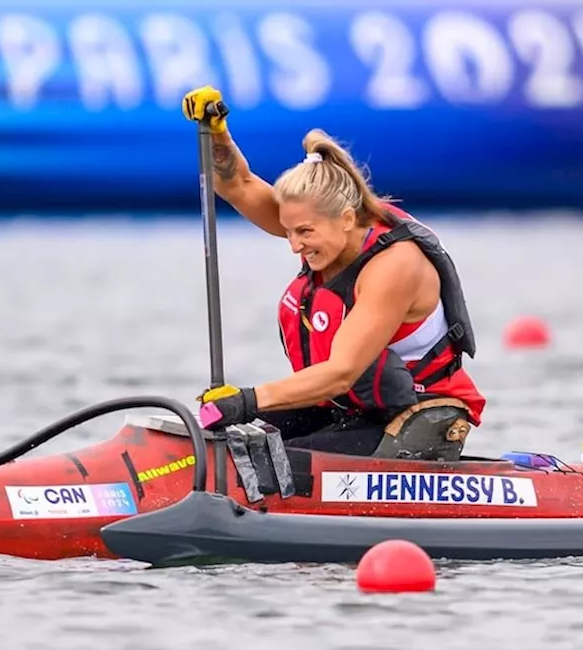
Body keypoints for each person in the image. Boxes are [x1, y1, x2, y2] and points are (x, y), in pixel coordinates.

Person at [180, 85, 487, 461]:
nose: (294, 245)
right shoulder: (323, 229)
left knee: (260, 459)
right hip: (349, 406)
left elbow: (342, 371)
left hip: (418, 416)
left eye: (303, 233)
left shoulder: (395, 265)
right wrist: (218, 131)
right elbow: (236, 184)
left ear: (345, 219)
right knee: (217, 440)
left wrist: (245, 401)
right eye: (288, 230)